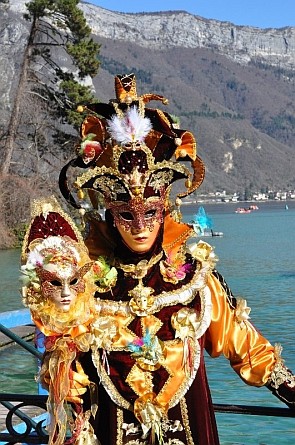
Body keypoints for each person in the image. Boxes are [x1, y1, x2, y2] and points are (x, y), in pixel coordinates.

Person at [57, 74, 295, 445]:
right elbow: (69, 375)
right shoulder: (85, 284)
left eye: (149, 214)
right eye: (126, 215)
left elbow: (245, 346)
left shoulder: (195, 281)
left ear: (164, 209)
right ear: (108, 212)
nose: (139, 227)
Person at [21, 196, 100, 445]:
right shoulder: (45, 325)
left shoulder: (96, 319)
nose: (66, 293)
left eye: (73, 282)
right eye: (55, 283)